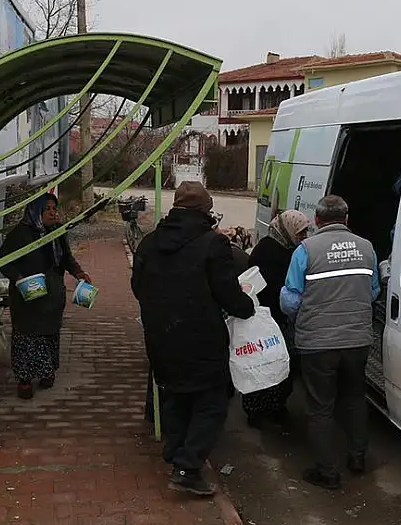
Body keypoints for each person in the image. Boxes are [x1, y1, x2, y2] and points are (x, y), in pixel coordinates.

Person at [131, 181, 255, 496]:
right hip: (201, 339)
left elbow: (137, 287)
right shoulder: (213, 245)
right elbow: (228, 294)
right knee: (212, 403)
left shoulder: (149, 243)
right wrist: (246, 306)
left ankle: (176, 454)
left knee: (173, 395)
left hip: (160, 335)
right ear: (206, 210)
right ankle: (187, 468)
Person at [280, 195, 380, 490]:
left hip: (318, 344)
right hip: (357, 340)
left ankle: (327, 471)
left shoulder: (305, 250)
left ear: (318, 221)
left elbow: (290, 300)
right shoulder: (367, 248)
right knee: (353, 398)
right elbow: (372, 291)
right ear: (346, 219)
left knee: (321, 407)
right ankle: (357, 458)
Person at [0, 192, 90, 400]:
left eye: (53, 209)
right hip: (27, 297)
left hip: (52, 295)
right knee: (27, 336)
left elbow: (66, 258)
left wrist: (79, 273)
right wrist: (19, 277)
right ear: (35, 211)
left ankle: (47, 373)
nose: (51, 212)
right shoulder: (21, 234)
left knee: (49, 335)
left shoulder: (56, 232)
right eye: (47, 209)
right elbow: (2, 260)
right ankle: (24, 379)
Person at [240, 210, 310, 426]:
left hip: (281, 319)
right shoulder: (266, 251)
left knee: (281, 366)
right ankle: (258, 412)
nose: (303, 237)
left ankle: (276, 406)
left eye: (305, 232)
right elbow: (260, 287)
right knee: (263, 366)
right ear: (287, 230)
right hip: (264, 319)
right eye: (300, 233)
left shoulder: (291, 251)